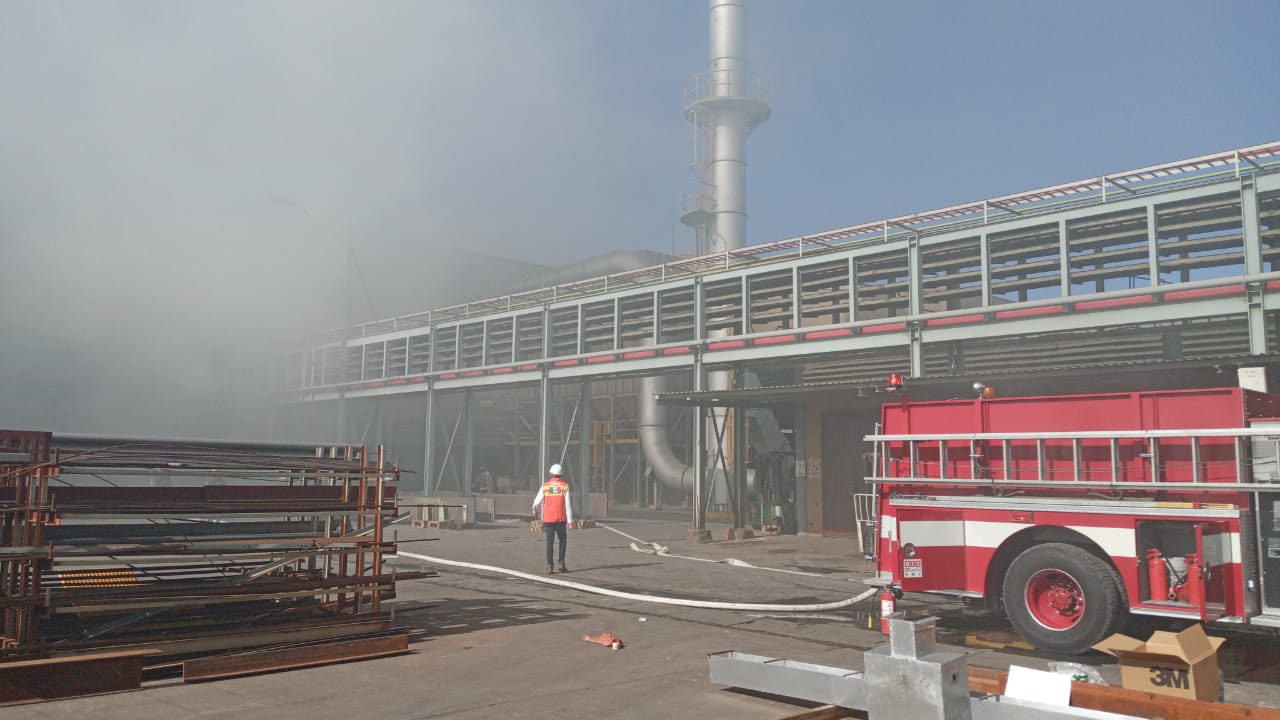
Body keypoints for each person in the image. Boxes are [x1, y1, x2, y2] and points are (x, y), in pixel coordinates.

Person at [532, 463, 573, 573]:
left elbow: (536, 502)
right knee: (563, 540)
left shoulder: (545, 486)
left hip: (548, 519)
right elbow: (568, 504)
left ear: (551, 473)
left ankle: (550, 565)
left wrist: (535, 511)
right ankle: (561, 563)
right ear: (561, 475)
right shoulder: (565, 486)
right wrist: (570, 520)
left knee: (549, 542)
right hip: (560, 519)